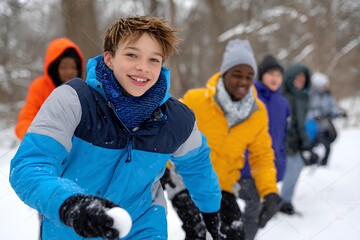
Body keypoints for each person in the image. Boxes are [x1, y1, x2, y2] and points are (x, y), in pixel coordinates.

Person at [9, 16, 222, 240]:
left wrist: (211, 211)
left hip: (143, 226)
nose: (142, 67)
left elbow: (198, 165)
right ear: (109, 59)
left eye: (154, 60)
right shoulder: (74, 100)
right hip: (73, 227)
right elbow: (29, 166)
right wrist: (70, 204)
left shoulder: (177, 120)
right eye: (132, 55)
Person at [163, 40, 280, 239]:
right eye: (237, 74)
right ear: (224, 73)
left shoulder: (257, 112)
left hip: (223, 187)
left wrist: (269, 192)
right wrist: (163, 167)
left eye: (249, 76)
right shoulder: (196, 100)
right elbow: (170, 132)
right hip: (186, 181)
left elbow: (262, 155)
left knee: (235, 233)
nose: (243, 81)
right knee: (199, 233)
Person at [238, 54, 290, 240]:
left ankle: (245, 235)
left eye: (279, 74)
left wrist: (281, 163)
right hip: (241, 165)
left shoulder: (283, 103)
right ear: (262, 76)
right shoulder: (248, 95)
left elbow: (282, 137)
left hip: (267, 166)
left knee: (259, 210)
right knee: (250, 204)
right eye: (271, 74)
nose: (275, 78)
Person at [15, 37, 84, 140]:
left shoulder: (84, 90)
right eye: (63, 67)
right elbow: (25, 120)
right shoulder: (40, 87)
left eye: (73, 67)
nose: (69, 72)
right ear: (54, 69)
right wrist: (36, 139)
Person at [278, 64, 312, 215]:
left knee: (295, 167)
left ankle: (284, 200)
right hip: (284, 141)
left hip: (295, 141)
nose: (300, 80)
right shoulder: (286, 96)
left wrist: (306, 144)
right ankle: (282, 202)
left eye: (303, 78)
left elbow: (301, 124)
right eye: (297, 77)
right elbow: (288, 123)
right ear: (291, 78)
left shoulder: (303, 97)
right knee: (292, 167)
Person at [307, 72, 347, 166]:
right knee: (313, 145)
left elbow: (332, 109)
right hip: (313, 127)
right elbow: (307, 111)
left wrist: (339, 113)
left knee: (328, 144)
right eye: (324, 84)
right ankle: (311, 160)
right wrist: (316, 115)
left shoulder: (328, 96)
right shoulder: (310, 96)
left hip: (325, 127)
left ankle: (323, 163)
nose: (327, 86)